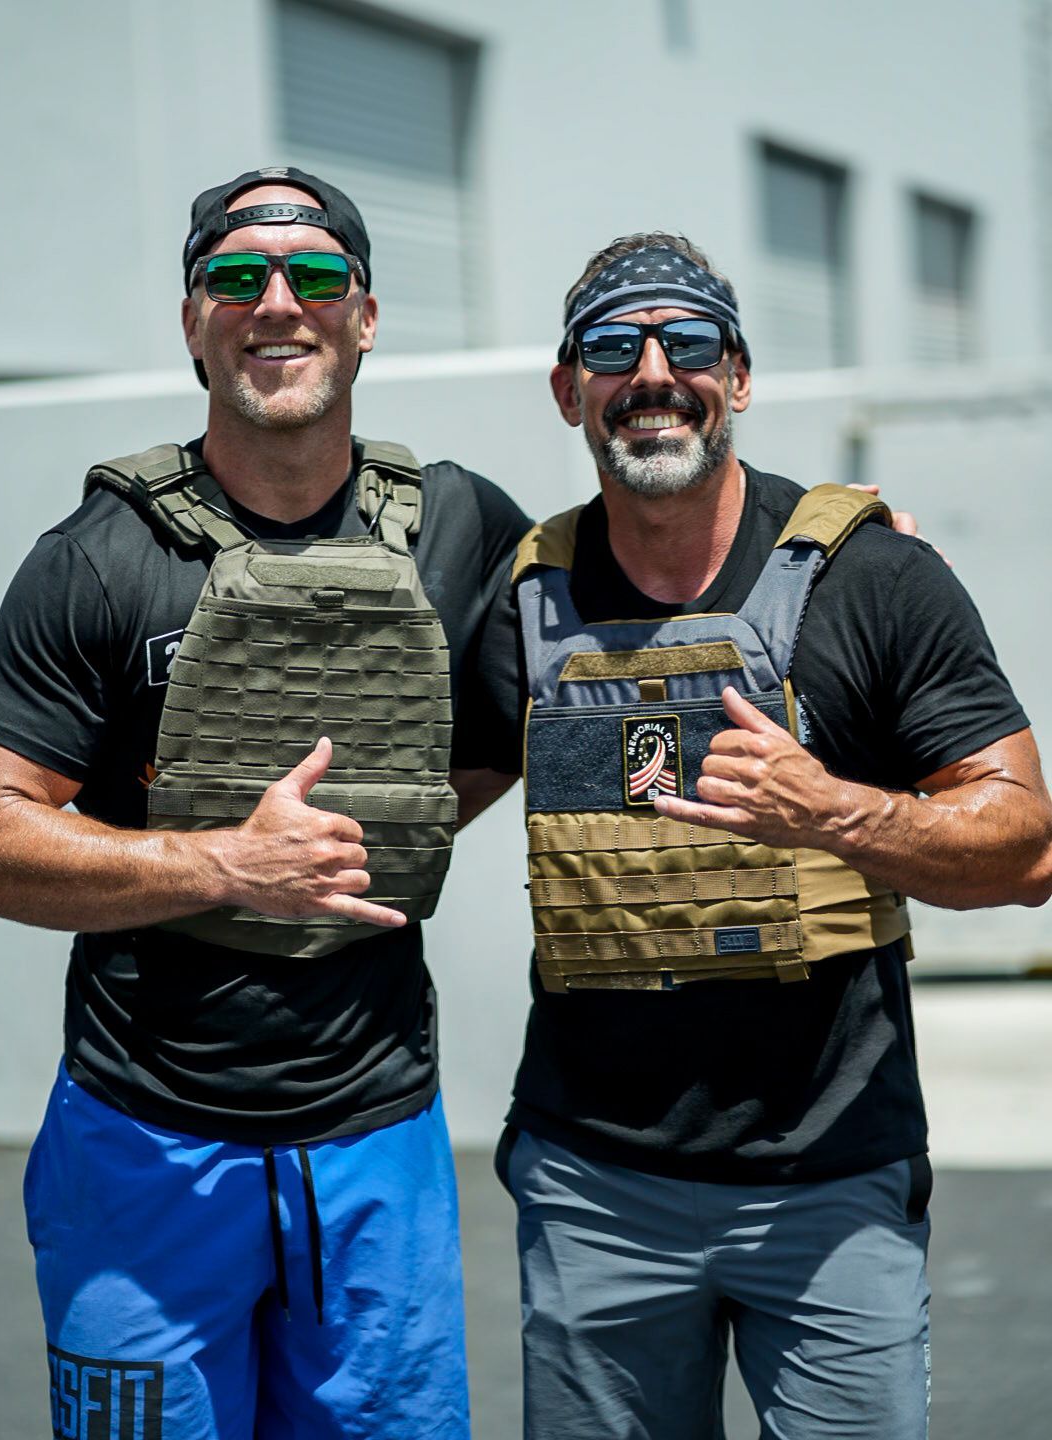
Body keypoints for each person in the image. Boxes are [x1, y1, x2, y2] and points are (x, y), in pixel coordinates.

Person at [0, 168, 527, 1439]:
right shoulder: (100, 559)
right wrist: (228, 866)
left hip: (376, 1133)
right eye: (238, 278)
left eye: (315, 276)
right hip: (146, 1135)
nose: (278, 303)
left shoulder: (459, 526)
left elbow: (594, 647)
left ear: (366, 315)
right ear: (193, 320)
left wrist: (851, 563)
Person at [494, 232, 1052, 1440]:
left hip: (830, 1186)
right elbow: (404, 800)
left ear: (737, 378)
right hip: (595, 1190)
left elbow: (1026, 848)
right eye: (611, 346)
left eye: (686, 342)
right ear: (566, 390)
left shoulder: (875, 578)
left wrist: (830, 808)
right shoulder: (522, 596)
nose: (651, 371)